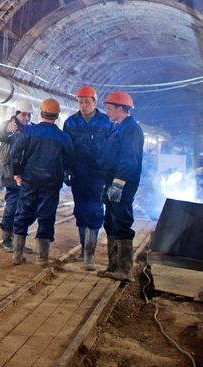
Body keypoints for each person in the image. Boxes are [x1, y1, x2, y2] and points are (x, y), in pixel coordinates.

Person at [10, 99, 75, 265]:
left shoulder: (30, 131)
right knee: (46, 217)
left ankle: (17, 255)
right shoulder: (63, 137)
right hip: (51, 184)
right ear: (57, 115)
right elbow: (70, 161)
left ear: (41, 112)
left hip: (29, 180)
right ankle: (42, 258)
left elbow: (15, 153)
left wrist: (17, 173)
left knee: (22, 214)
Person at [62, 86, 111, 270]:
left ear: (95, 102)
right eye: (80, 101)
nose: (83, 105)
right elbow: (65, 148)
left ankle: (90, 254)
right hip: (78, 175)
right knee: (81, 211)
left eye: (86, 102)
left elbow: (112, 149)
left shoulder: (106, 122)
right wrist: (66, 169)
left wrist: (109, 174)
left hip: (98, 175)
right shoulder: (71, 123)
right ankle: (84, 251)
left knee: (95, 211)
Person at [98, 91, 144, 282]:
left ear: (120, 108)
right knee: (110, 222)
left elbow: (129, 159)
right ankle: (113, 265)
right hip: (111, 182)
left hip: (122, 185)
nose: (107, 111)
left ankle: (124, 270)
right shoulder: (118, 127)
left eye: (109, 107)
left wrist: (118, 183)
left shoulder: (131, 129)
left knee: (122, 222)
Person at [0, 98, 34, 252]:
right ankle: (7, 240)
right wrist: (7, 130)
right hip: (10, 175)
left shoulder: (32, 129)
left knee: (26, 209)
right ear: (17, 114)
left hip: (27, 176)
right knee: (12, 207)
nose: (27, 118)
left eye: (29, 115)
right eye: (24, 115)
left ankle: (19, 241)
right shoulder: (9, 125)